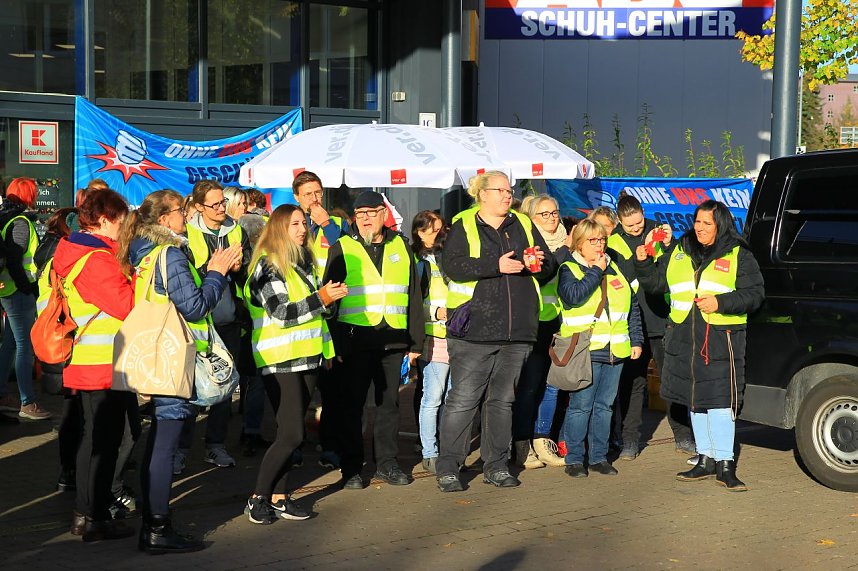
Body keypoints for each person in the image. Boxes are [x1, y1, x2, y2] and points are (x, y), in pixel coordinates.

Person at [121, 189, 240, 553]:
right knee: (163, 445)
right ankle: (157, 528)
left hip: (152, 355)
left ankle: (153, 523)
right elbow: (195, 306)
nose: (186, 217)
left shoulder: (139, 251)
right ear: (163, 219)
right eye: (180, 212)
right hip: (172, 360)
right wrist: (217, 275)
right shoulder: (169, 253)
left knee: (158, 441)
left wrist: (205, 273)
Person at [435, 171, 557, 493]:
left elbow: (549, 266)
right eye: (501, 190)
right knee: (463, 400)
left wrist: (538, 264)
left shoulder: (524, 224)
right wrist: (495, 265)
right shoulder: (465, 224)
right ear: (482, 194)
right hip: (474, 329)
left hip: (517, 330)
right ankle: (448, 466)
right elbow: (453, 265)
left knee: (502, 401)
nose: (508, 195)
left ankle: (496, 466)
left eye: (510, 189)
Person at [635, 200, 764, 491]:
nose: (700, 228)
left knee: (720, 402)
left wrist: (720, 302)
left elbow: (755, 295)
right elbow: (656, 284)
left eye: (707, 223)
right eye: (697, 222)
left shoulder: (738, 253)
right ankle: (704, 459)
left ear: (721, 224)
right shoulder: (680, 249)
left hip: (721, 337)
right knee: (696, 400)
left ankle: (725, 464)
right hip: (684, 335)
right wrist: (643, 262)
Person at [243, 205, 348, 524]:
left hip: (308, 357)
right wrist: (322, 299)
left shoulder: (305, 263)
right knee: (291, 435)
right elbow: (282, 313)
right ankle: (257, 498)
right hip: (280, 359)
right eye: (295, 224)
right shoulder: (268, 265)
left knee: (291, 432)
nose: (303, 229)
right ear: (278, 229)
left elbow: (318, 315)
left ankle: (278, 497)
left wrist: (329, 308)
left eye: (304, 223)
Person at [323, 190, 424, 489]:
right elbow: (330, 300)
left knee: (389, 405)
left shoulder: (401, 246)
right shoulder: (341, 247)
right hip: (353, 340)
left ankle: (387, 464)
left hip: (392, 339)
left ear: (383, 214)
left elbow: (414, 296)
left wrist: (416, 343)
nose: (366, 219)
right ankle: (351, 468)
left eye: (372, 213)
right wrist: (334, 344)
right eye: (360, 214)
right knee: (352, 407)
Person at [51, 188, 135, 541]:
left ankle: (86, 514)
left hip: (87, 360)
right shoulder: (96, 259)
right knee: (105, 441)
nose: (123, 229)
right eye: (119, 222)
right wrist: (137, 277)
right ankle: (94, 515)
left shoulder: (72, 250)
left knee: (94, 438)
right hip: (102, 363)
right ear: (104, 220)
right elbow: (126, 305)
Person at [605, 192, 695, 460]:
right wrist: (639, 256)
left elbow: (675, 267)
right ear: (620, 221)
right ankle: (630, 441)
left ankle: (683, 435)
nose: (637, 228)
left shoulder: (657, 230)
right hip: (631, 324)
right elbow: (622, 278)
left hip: (662, 319)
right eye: (630, 225)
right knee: (633, 384)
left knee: (671, 380)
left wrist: (668, 245)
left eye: (640, 222)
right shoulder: (614, 243)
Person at [558, 218, 643, 478]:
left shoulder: (615, 269)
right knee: (581, 405)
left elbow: (631, 308)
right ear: (580, 244)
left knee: (604, 406)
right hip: (586, 349)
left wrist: (636, 339)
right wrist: (595, 271)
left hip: (616, 350)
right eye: (593, 241)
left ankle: (598, 456)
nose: (599, 245)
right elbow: (573, 297)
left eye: (602, 240)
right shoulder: (569, 269)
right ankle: (574, 458)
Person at [177, 179, 251, 473]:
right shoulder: (186, 233)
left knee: (224, 386)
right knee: (189, 389)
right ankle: (181, 450)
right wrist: (213, 268)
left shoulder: (236, 229)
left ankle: (215, 446)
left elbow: (246, 271)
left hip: (228, 320)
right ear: (198, 207)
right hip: (195, 322)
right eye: (215, 204)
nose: (222, 208)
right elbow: (184, 276)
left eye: (223, 202)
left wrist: (239, 268)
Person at [293, 171, 350, 470]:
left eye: (318, 192)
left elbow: (348, 253)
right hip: (303, 313)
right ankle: (294, 445)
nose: (314, 199)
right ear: (297, 199)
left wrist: (326, 223)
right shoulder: (291, 225)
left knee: (332, 386)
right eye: (308, 195)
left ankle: (330, 446)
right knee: (300, 387)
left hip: (333, 313)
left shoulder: (337, 223)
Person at [511, 194, 568, 469]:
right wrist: (564, 252)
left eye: (554, 212)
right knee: (529, 387)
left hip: (559, 324)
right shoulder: (528, 245)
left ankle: (542, 439)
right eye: (544, 214)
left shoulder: (567, 241)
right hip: (532, 325)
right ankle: (521, 444)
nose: (551, 218)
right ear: (531, 219)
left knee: (552, 386)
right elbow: (542, 274)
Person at [34, 208, 79, 491]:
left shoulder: (54, 255)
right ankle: (72, 473)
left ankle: (68, 472)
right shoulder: (64, 260)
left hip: (60, 343)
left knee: (72, 414)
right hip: (69, 345)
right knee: (76, 415)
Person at [0, 177, 48, 420]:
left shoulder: (6, 218)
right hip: (18, 292)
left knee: (10, 343)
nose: (37, 196)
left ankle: (3, 395)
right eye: (34, 192)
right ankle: (27, 402)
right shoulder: (20, 222)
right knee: (24, 346)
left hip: (8, 290)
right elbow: (15, 260)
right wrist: (26, 287)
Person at [411, 210, 450, 475]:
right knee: (433, 397)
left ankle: (446, 447)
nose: (440, 233)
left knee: (451, 398)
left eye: (441, 228)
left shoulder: (446, 256)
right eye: (434, 229)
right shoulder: (415, 260)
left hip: (457, 336)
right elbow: (411, 303)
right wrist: (436, 313)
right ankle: (430, 452)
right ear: (420, 232)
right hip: (432, 336)